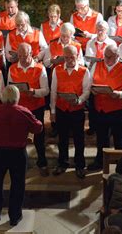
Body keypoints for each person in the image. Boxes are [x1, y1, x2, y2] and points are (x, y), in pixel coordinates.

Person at [0, 85, 42, 226]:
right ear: (17, 97)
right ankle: (15, 216)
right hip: (17, 154)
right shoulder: (23, 111)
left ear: (2, 97)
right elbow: (38, 128)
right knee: (18, 184)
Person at [88, 44, 122, 171]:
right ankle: (100, 161)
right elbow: (89, 82)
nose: (106, 59)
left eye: (109, 57)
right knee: (101, 139)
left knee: (120, 140)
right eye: (105, 55)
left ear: (117, 56)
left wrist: (119, 94)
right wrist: (92, 90)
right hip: (99, 109)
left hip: (117, 110)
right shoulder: (97, 65)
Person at [8, 43, 50, 176]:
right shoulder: (12, 68)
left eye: (24, 56)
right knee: (19, 137)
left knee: (39, 136)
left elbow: (46, 90)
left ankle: (42, 162)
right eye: (19, 56)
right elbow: (9, 88)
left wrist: (33, 92)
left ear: (31, 54)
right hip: (19, 108)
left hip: (36, 107)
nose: (21, 59)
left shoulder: (40, 68)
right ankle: (22, 163)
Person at [50, 45, 91, 179]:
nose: (69, 60)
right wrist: (53, 111)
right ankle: (62, 163)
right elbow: (53, 91)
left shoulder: (84, 71)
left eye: (71, 57)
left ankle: (80, 165)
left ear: (77, 55)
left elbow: (86, 91)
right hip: (62, 110)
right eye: (66, 57)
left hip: (77, 110)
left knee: (79, 139)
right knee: (62, 139)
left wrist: (79, 100)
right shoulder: (57, 70)